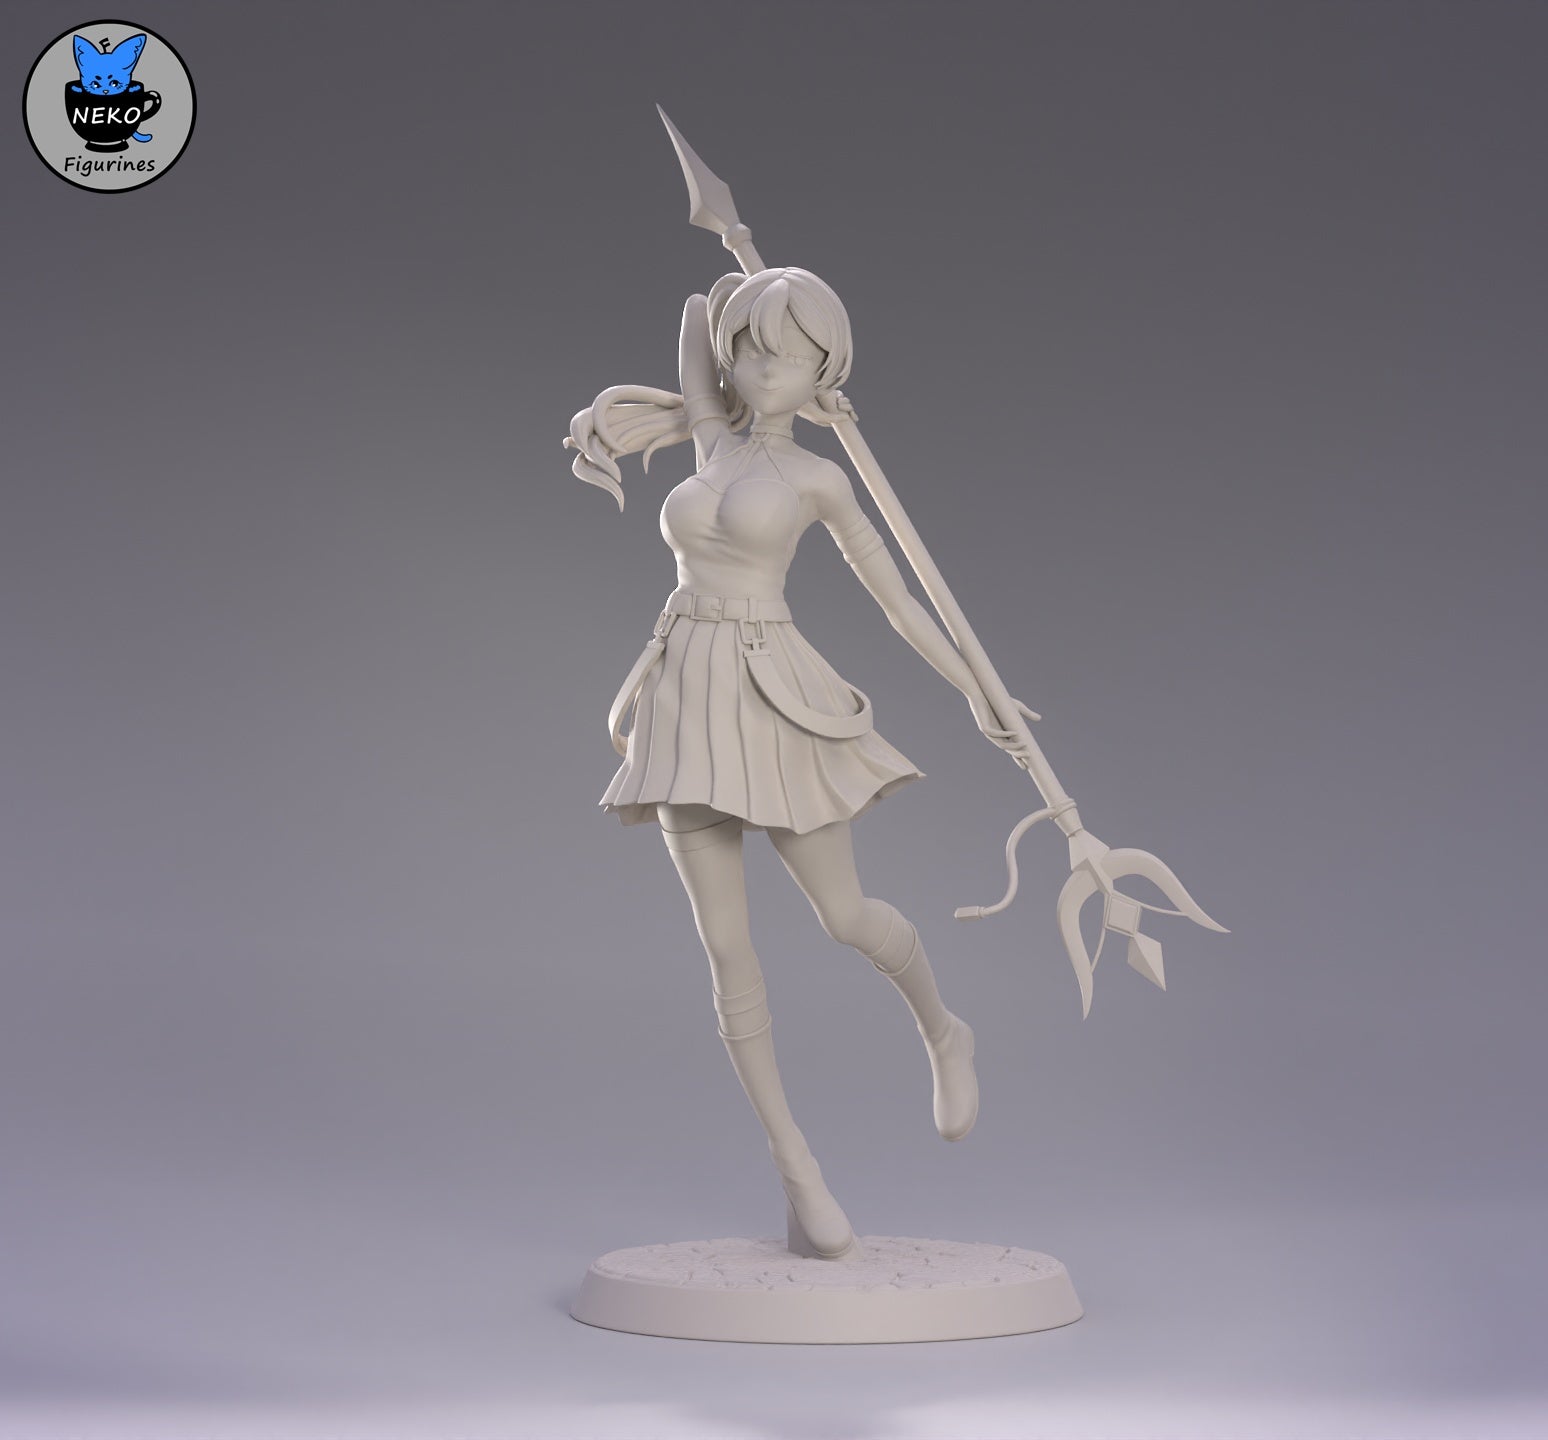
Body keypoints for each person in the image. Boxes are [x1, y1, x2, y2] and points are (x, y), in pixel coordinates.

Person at [566, 268, 1031, 1260]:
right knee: (727, 951)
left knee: (844, 916)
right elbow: (697, 319)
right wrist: (745, 284)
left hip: (774, 690)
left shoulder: (822, 479)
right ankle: (797, 1169)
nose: (762, 370)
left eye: (790, 356)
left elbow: (900, 604)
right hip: (684, 695)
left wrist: (975, 690)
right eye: (751, 353)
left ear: (826, 369)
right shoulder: (711, 439)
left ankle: (944, 1030)